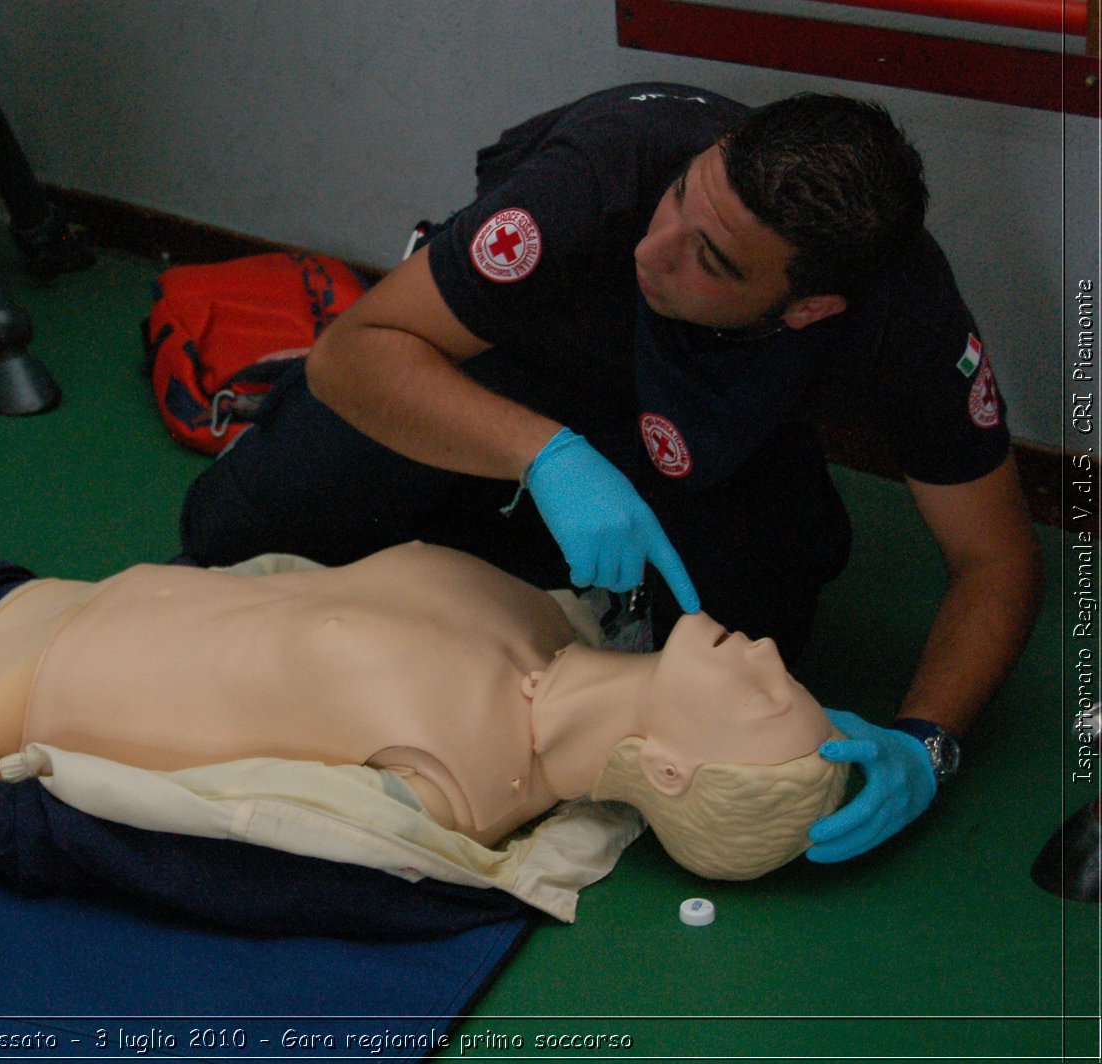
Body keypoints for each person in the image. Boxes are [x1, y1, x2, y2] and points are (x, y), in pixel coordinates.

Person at [177, 83, 1043, 867]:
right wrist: (544, 453)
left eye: (711, 259)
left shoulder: (908, 321)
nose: (654, 247)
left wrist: (927, 744)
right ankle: (486, 504)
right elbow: (354, 355)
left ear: (808, 309)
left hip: (706, 426)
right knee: (235, 537)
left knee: (758, 632)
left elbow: (995, 560)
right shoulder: (606, 175)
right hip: (501, 367)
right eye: (680, 197)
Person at [0, 545, 843, 931]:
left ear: (671, 770)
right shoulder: (550, 620)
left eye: (768, 697)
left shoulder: (453, 798)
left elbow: (253, 857)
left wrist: (26, 831)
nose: (773, 657)